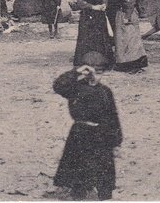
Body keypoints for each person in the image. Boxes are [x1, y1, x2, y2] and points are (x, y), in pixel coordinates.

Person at [52, 53, 123, 200]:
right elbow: (58, 86)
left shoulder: (105, 91)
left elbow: (112, 116)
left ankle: (104, 195)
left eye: (99, 73)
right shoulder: (75, 88)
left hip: (101, 135)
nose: (94, 77)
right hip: (80, 134)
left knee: (104, 172)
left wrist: (116, 141)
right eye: (90, 72)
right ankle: (79, 194)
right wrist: (76, 72)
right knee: (79, 172)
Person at [72, 0, 114, 68]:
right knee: (88, 36)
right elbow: (80, 1)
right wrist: (92, 7)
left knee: (101, 36)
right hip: (88, 15)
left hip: (99, 14)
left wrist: (104, 5)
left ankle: (101, 61)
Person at [112, 0, 148, 73]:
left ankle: (130, 64)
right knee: (127, 38)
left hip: (126, 13)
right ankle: (131, 63)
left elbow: (129, 2)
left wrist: (127, 16)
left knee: (128, 39)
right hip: (125, 12)